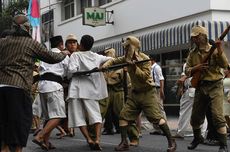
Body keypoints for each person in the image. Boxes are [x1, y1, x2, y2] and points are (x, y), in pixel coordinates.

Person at [0, 15, 69, 152]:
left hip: (1, 88)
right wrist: (64, 53)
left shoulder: (2, 42)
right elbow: (52, 57)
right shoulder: (30, 43)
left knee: (4, 125)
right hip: (18, 88)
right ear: (26, 28)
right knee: (19, 125)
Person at [102, 36, 176, 152]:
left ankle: (171, 141)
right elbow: (114, 61)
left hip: (147, 93)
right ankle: (124, 142)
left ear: (133, 47)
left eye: (127, 47)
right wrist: (105, 66)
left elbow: (144, 76)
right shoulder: (126, 57)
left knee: (156, 118)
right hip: (134, 93)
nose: (125, 50)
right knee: (123, 116)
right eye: (125, 48)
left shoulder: (145, 59)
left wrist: (134, 67)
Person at [185, 25, 229, 152]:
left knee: (217, 116)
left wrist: (220, 49)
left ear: (203, 36)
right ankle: (197, 138)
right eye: (194, 37)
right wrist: (196, 68)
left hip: (215, 85)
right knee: (195, 117)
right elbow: (187, 70)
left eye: (197, 37)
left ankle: (223, 145)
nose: (195, 39)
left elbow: (224, 65)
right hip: (201, 86)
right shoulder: (192, 53)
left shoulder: (214, 49)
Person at [67, 35, 112, 150]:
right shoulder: (96, 56)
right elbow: (111, 59)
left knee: (78, 117)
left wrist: (81, 71)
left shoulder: (75, 55)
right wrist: (103, 66)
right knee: (96, 116)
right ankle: (97, 139)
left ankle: (89, 139)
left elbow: (72, 70)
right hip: (91, 90)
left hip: (76, 90)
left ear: (80, 44)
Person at [32, 35, 69, 150]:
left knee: (48, 117)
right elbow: (70, 71)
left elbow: (39, 70)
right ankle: (40, 136)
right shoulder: (63, 55)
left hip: (42, 86)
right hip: (54, 85)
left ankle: (46, 142)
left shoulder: (45, 55)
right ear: (61, 44)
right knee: (59, 115)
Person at [173, 63, 207, 139]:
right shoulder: (199, 61)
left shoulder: (189, 63)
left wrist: (183, 79)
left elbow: (186, 75)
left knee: (185, 112)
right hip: (198, 89)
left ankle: (181, 132)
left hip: (192, 89)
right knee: (201, 112)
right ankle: (202, 133)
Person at [149, 54, 167, 135]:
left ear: (152, 60)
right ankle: (157, 128)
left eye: (148, 60)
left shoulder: (157, 67)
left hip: (157, 88)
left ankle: (165, 128)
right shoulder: (150, 68)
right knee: (153, 108)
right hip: (151, 89)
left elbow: (161, 79)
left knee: (160, 107)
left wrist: (162, 90)